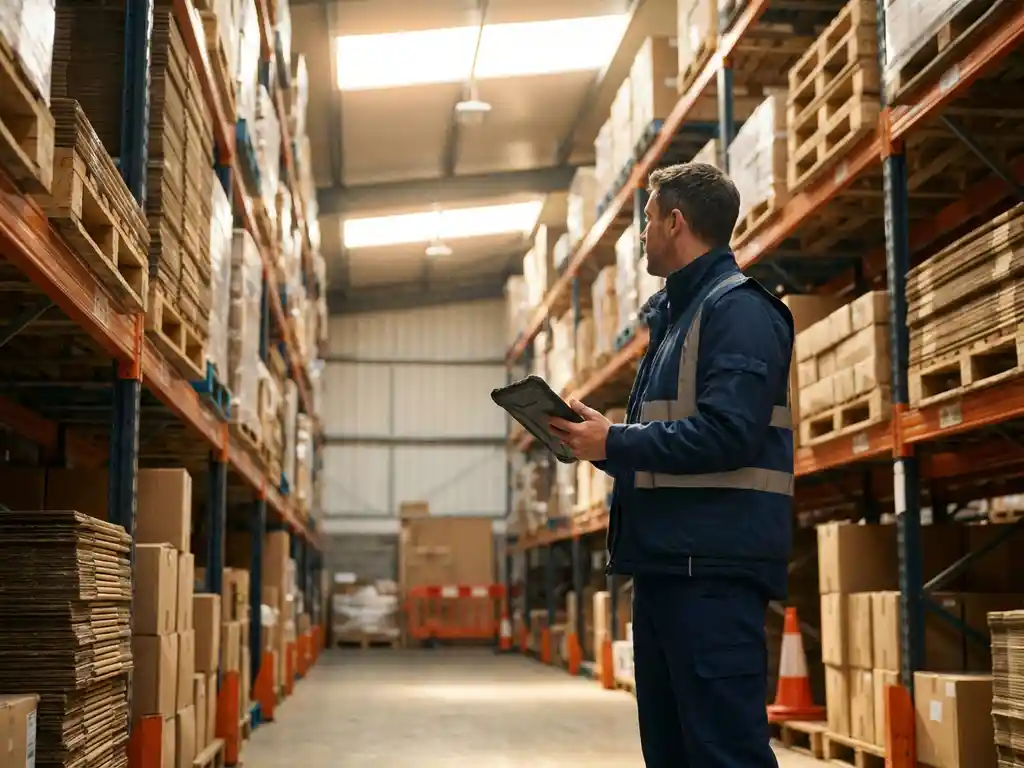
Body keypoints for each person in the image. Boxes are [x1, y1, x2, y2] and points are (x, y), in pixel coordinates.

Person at [549, 162, 793, 768]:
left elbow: (729, 433)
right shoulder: (675, 319)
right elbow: (665, 449)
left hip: (710, 573)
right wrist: (597, 443)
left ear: (675, 222)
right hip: (667, 569)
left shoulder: (737, 311)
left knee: (722, 754)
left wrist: (619, 443)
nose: (640, 237)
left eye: (648, 220)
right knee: (673, 754)